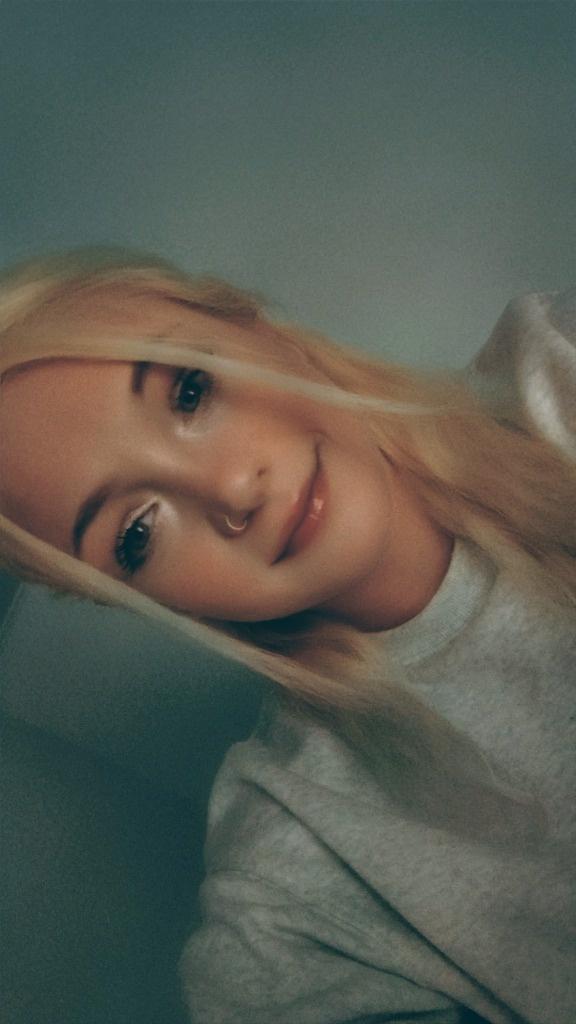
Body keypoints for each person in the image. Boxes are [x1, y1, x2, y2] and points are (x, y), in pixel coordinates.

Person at [0, 248, 574, 1024]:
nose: (233, 489)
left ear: (252, 322)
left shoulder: (557, 365)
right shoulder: (290, 890)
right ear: (125, 597)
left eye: (191, 391)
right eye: (137, 533)